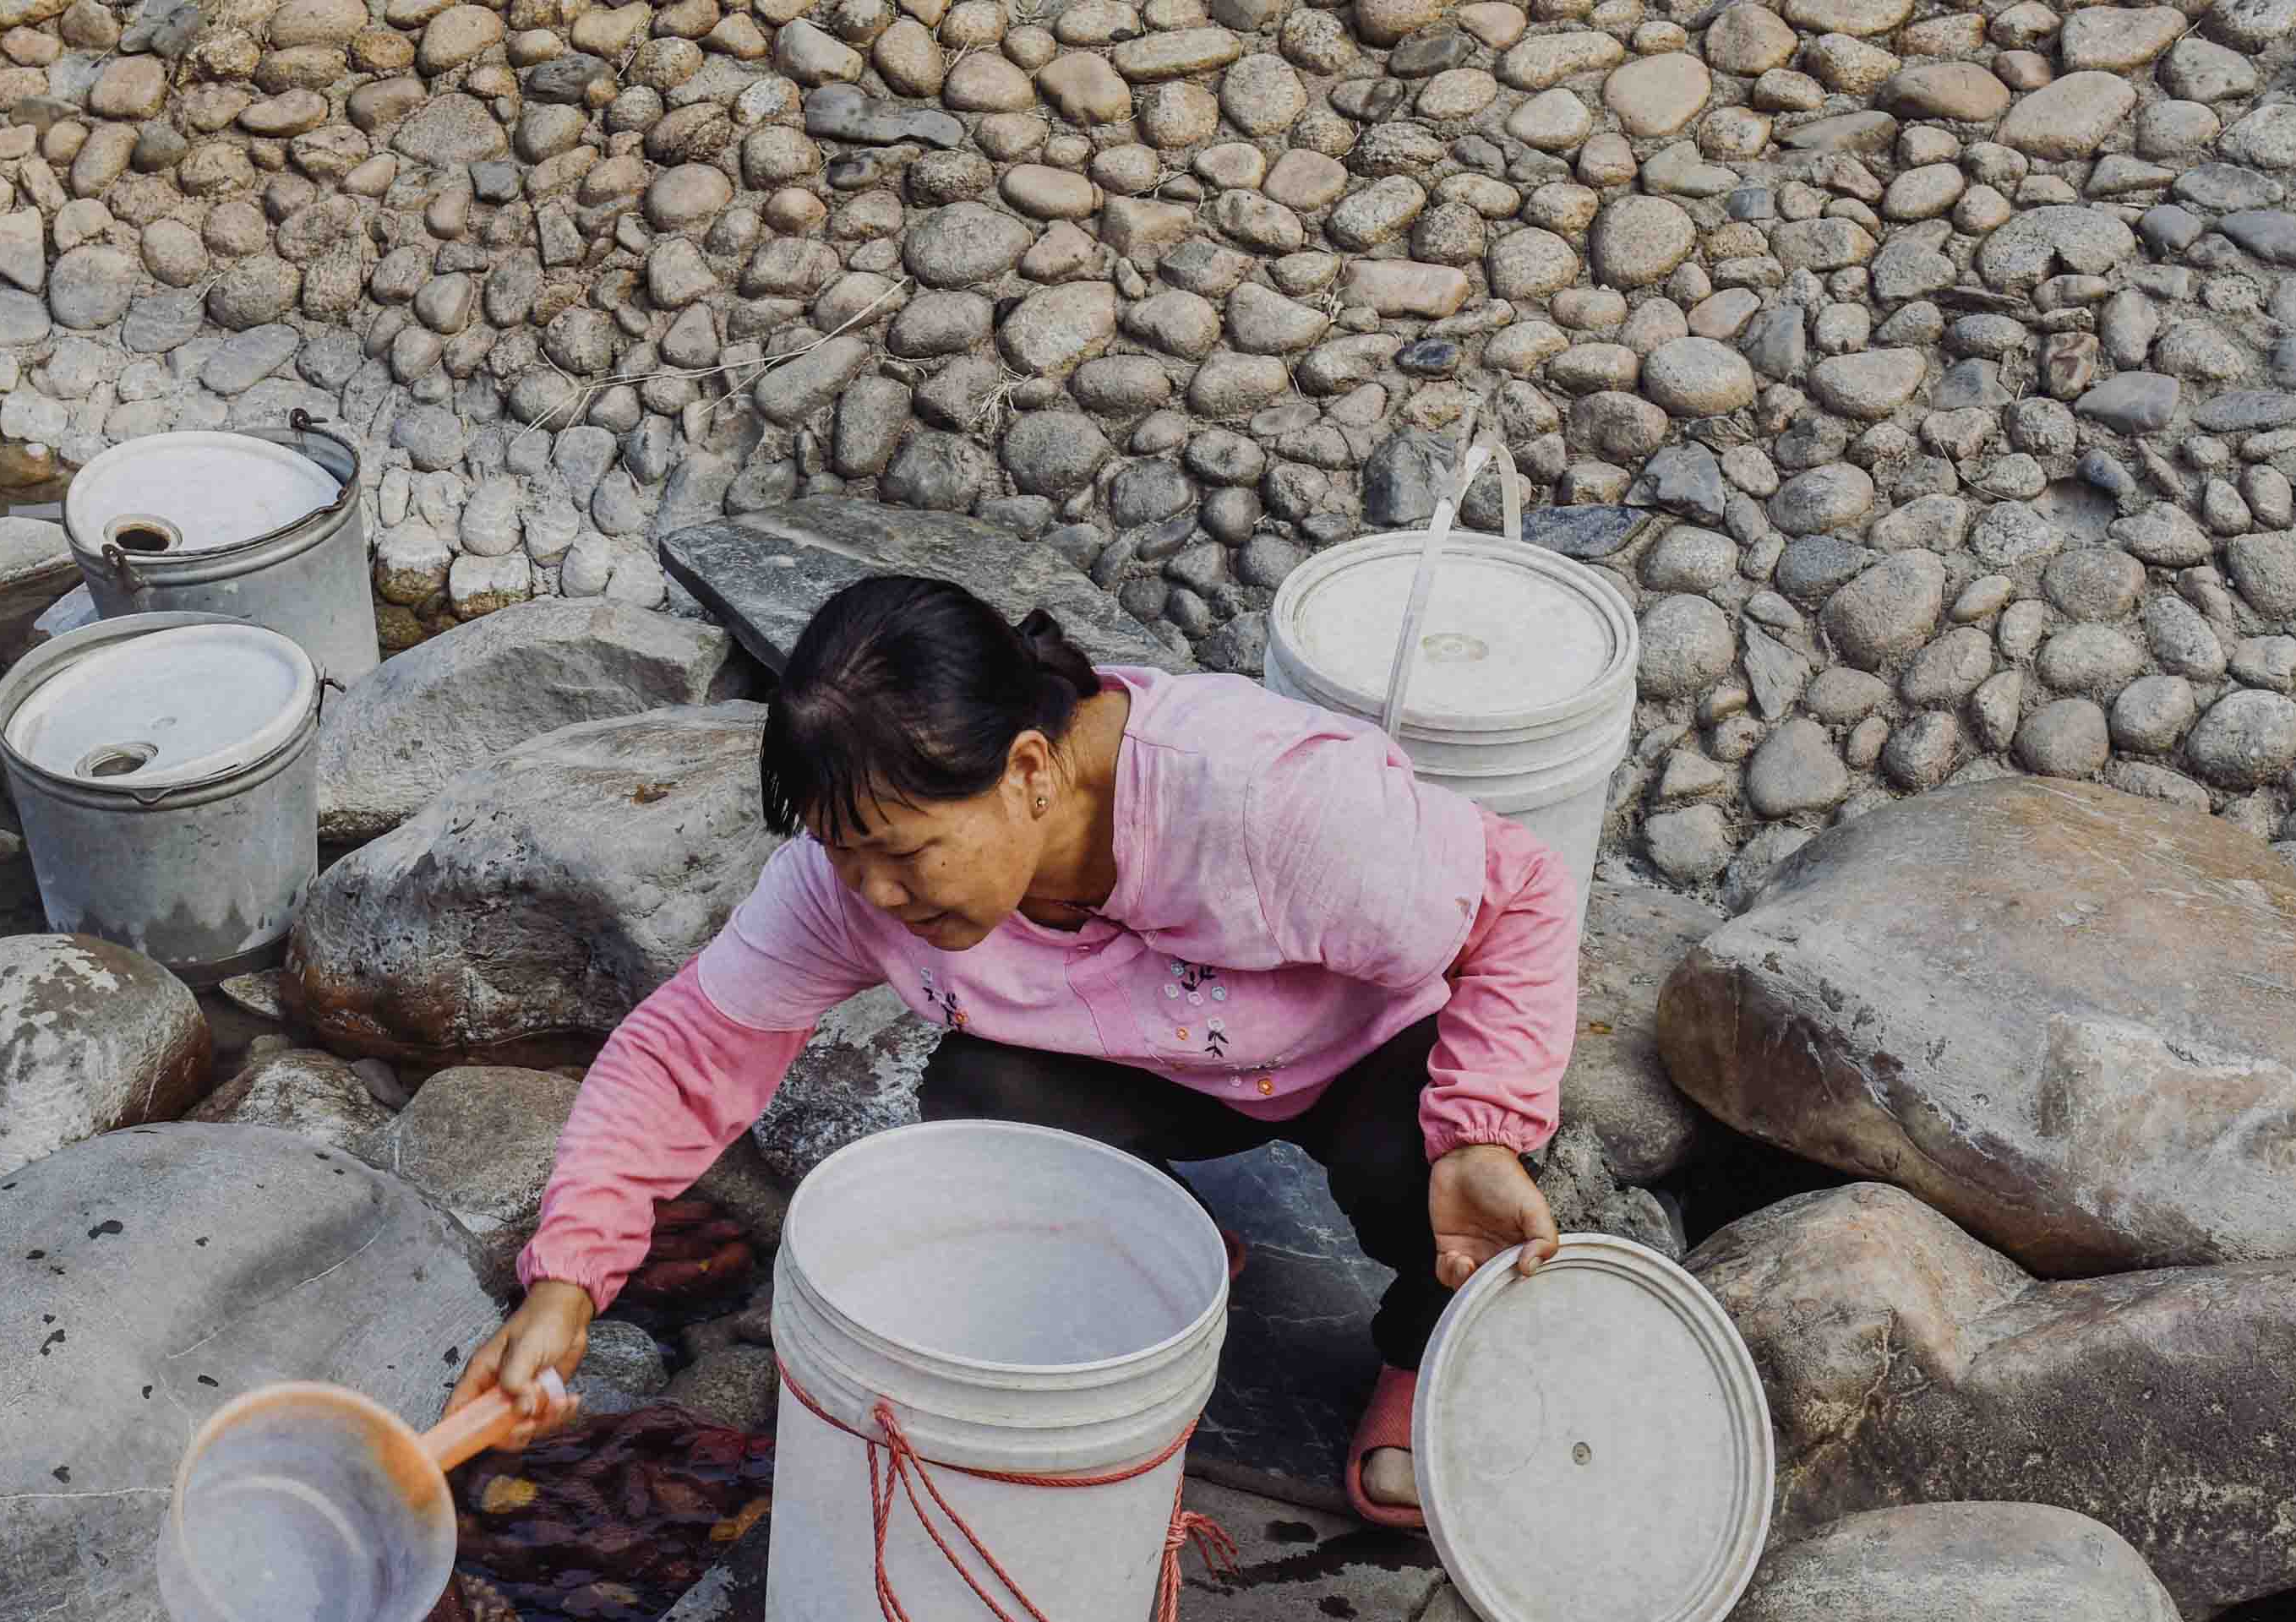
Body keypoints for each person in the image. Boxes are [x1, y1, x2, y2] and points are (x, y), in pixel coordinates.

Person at [450, 572, 1579, 1527]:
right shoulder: (854, 878)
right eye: (848, 861)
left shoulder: (1265, 802)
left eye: (908, 856)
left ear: (1032, 771)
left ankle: (1424, 1346)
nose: (879, 896)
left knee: (1416, 1170)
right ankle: (1161, 1238)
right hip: (1169, 1067)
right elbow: (688, 1048)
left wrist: (1485, 1125)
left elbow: (1521, 895)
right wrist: (569, 1280)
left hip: (1368, 1049)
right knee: (982, 1103)